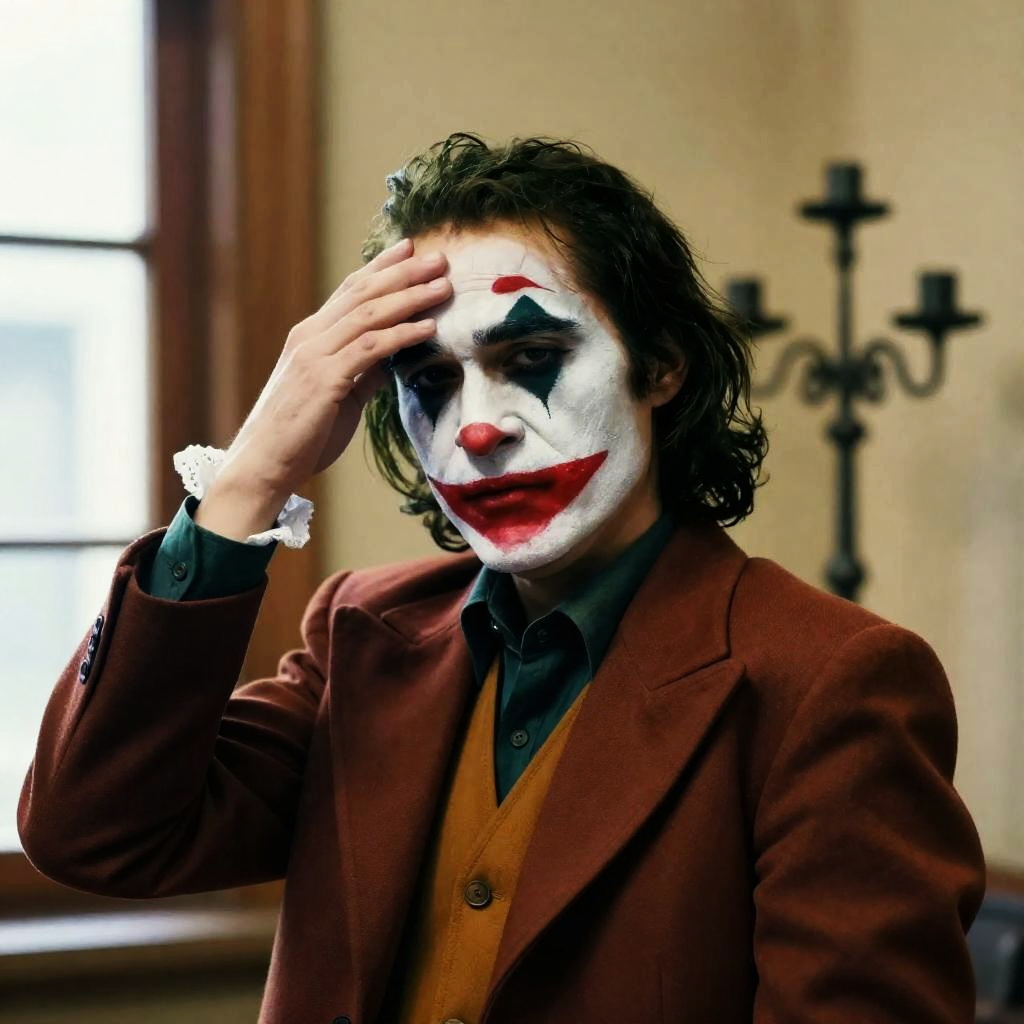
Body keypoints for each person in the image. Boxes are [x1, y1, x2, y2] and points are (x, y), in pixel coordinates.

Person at [19, 134, 985, 1024]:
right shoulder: (361, 636)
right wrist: (250, 478)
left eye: (532, 357)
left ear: (661, 367)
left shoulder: (831, 681)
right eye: (431, 381)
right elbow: (96, 832)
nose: (477, 428)